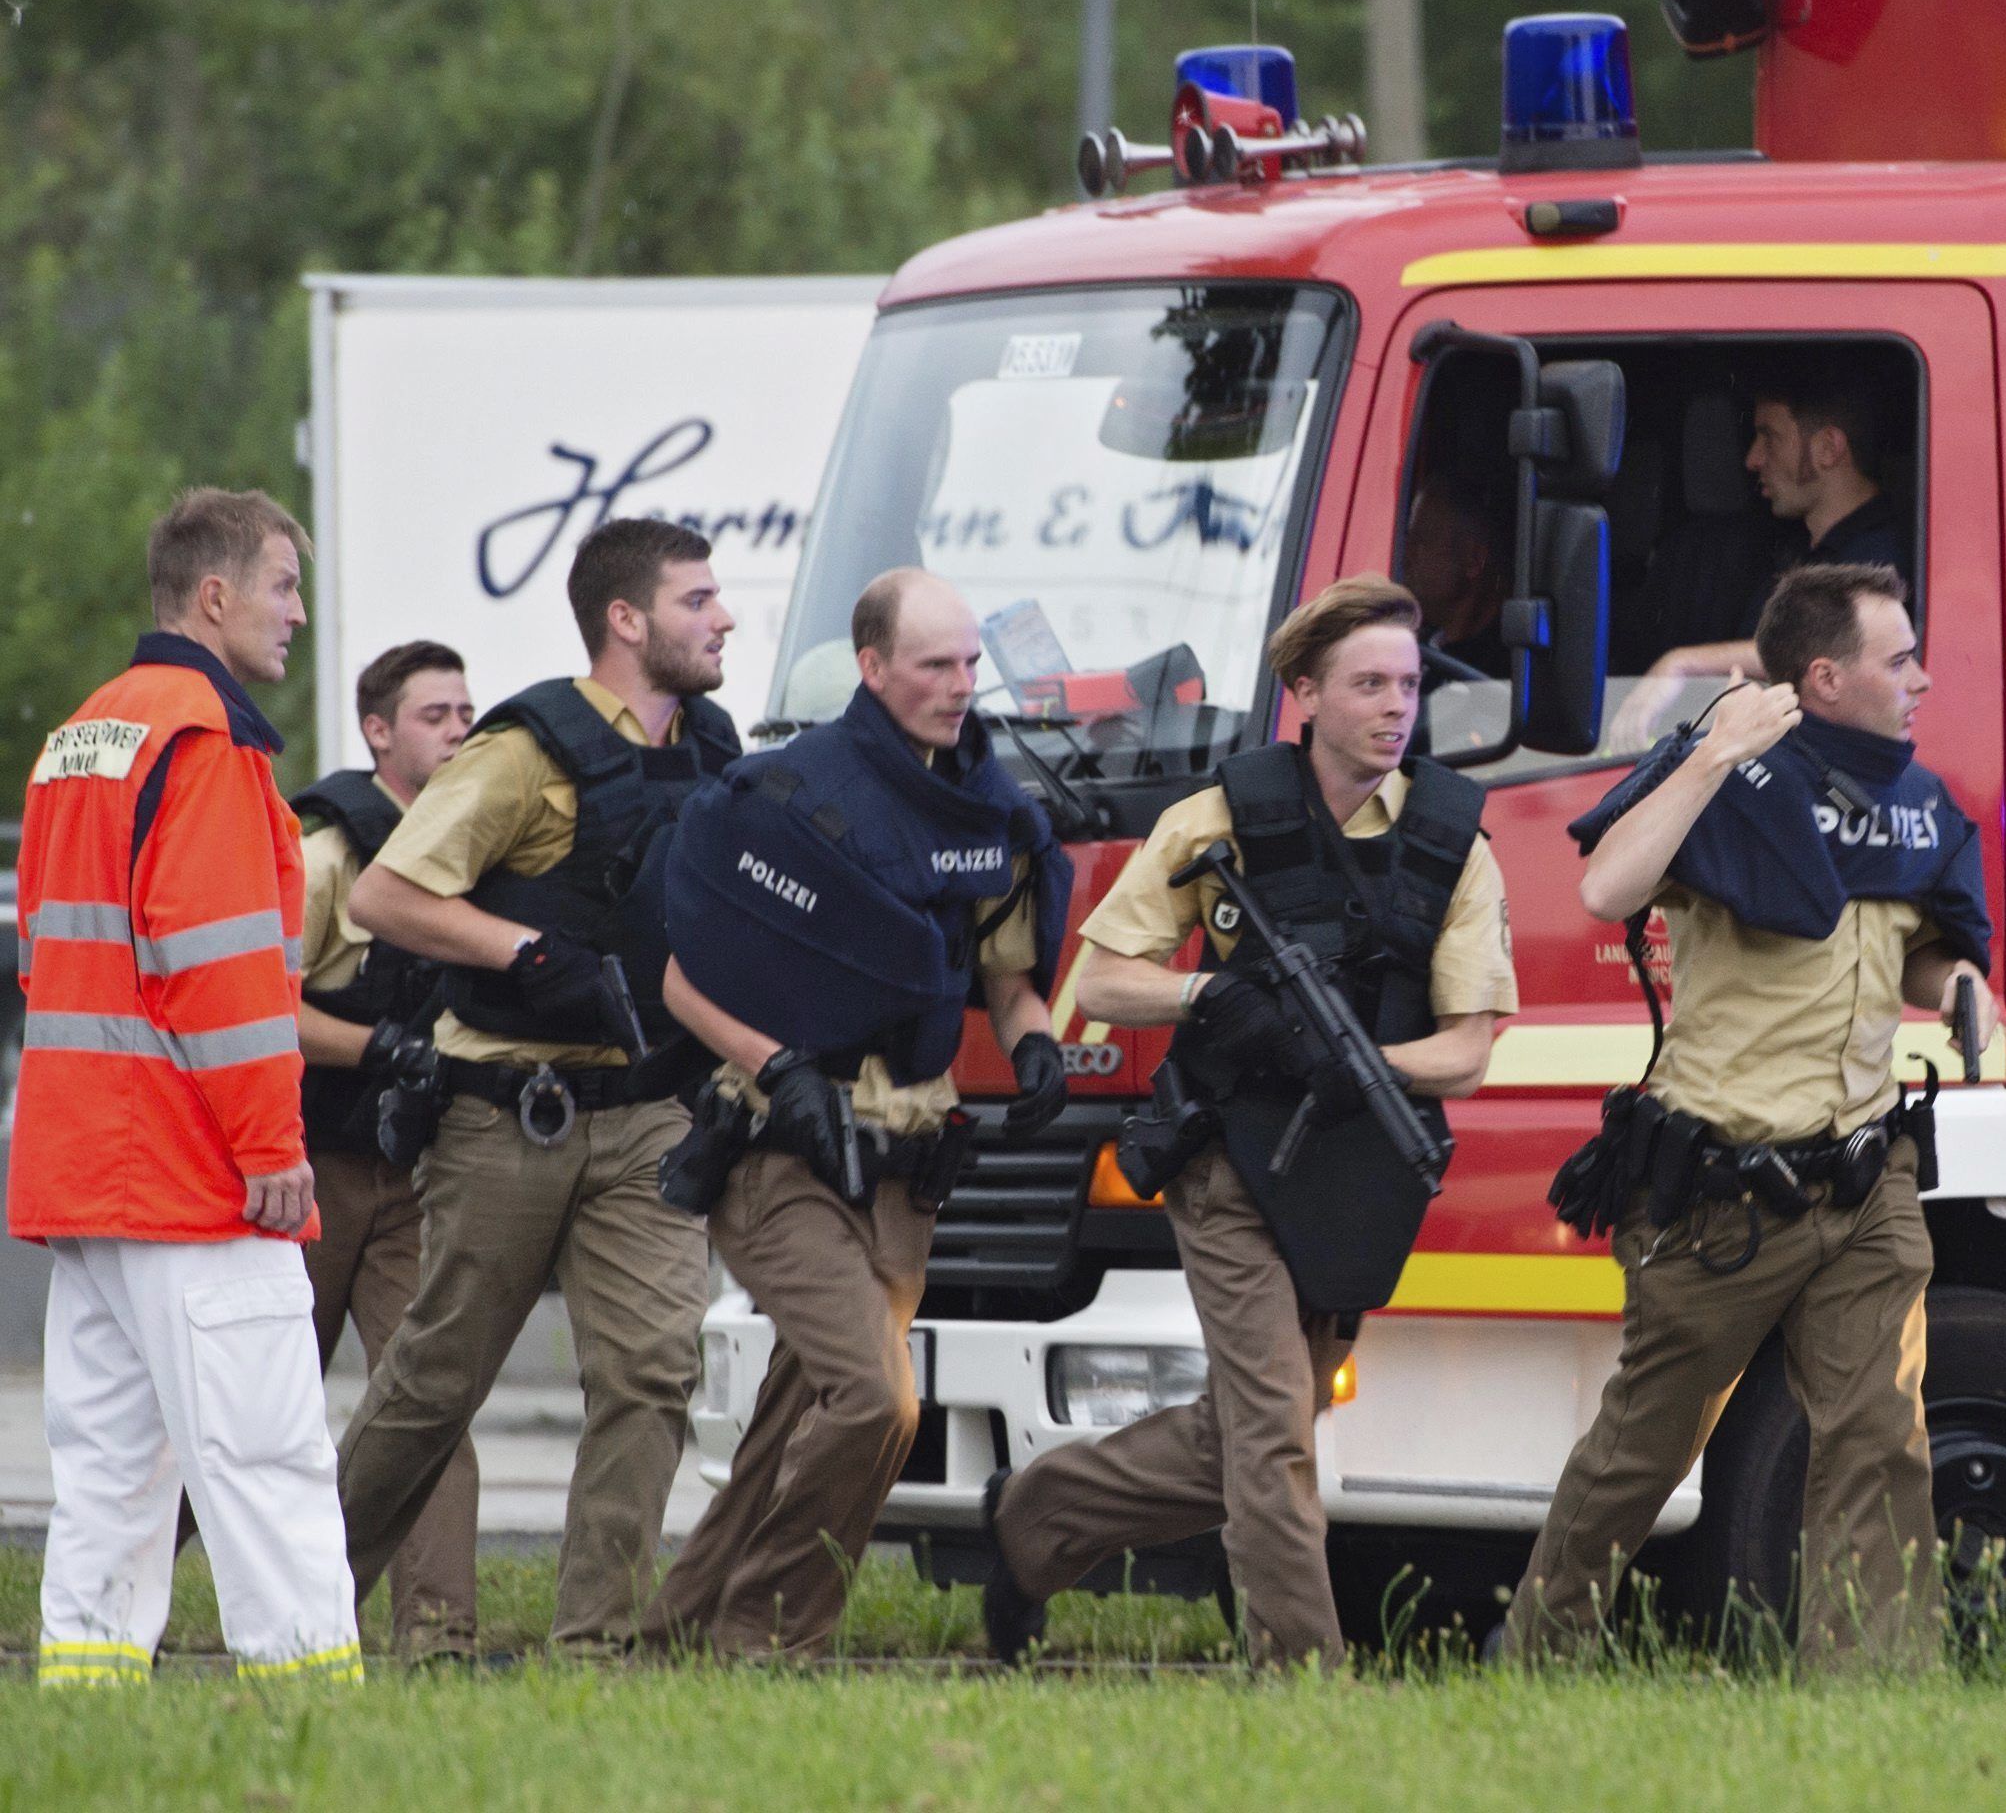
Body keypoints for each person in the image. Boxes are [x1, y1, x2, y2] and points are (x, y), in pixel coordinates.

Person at [981, 575, 1518, 1670]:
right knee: (1273, 1430)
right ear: (1303, 695)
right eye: (1368, 683)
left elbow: (1467, 1049)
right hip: (1228, 1162)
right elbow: (1100, 980)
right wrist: (1209, 997)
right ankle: (1301, 1679)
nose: (1394, 707)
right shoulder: (1218, 817)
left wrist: (1353, 1063)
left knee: (1248, 1432)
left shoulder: (1454, 840)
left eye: (1409, 685)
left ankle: (1035, 1517)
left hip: (1355, 1169)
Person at [1502, 561, 1997, 1676]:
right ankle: (1538, 1655)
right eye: (1898, 657)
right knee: (1643, 1451)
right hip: (1722, 1195)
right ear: (1824, 677)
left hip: (1865, 1180)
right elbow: (1605, 889)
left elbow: (1918, 948)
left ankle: (1870, 1693)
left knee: (1878, 1439)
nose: (1921, 677)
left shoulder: (1911, 801)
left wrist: (1958, 984)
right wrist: (1713, 747)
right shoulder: (1731, 787)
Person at [637, 569, 1072, 1660]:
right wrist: (772, 1064)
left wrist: (1036, 1051)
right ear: (871, 668)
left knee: (802, 1410)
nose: (960, 685)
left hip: (905, 1162)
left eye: (972, 663)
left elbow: (1006, 978)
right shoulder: (786, 794)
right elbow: (681, 978)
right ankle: (768, 1638)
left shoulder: (987, 811)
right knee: (880, 1404)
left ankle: (678, 1629)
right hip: (780, 1147)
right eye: (933, 665)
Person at [335, 516, 739, 1655]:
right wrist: (523, 952)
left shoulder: (713, 751)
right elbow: (386, 899)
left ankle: (590, 1656)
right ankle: (303, 1616)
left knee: (653, 1375)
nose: (723, 619)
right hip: (508, 1113)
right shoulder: (524, 750)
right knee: (432, 1386)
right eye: (697, 600)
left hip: (651, 1114)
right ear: (626, 619)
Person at [12, 487, 362, 1686]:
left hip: (85, 1174)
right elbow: (219, 980)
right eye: (282, 586)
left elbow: (53, 958)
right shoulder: (206, 745)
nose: (298, 615)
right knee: (267, 1466)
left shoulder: (83, 736)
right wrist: (271, 1151)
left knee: (109, 1482)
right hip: (192, 1178)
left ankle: (86, 1709)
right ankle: (315, 1719)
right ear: (214, 597)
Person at [286, 640, 481, 1660]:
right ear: (377, 733)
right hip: (305, 1176)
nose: (459, 731)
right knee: (257, 1418)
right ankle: (117, 1610)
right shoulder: (324, 851)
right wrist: (379, 1045)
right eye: (434, 716)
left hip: (414, 1180)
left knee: (429, 1401)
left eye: (465, 713)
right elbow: (263, 1013)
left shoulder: (472, 848)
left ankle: (439, 1640)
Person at [1611, 372, 1911, 741]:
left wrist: (1682, 665)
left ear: (1828, 450)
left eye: (1770, 437)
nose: (1753, 459)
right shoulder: (1795, 548)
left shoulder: (1879, 562)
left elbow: (1822, 651)